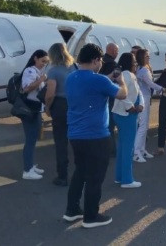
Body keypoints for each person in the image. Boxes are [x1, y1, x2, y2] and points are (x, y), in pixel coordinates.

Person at [63, 43, 127, 228]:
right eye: (99, 61)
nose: (101, 64)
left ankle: (72, 209)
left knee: (80, 172)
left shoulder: (72, 78)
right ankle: (91, 216)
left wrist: (108, 78)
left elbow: (93, 84)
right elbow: (122, 94)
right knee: (95, 177)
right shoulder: (99, 81)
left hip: (75, 134)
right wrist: (121, 81)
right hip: (96, 136)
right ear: (95, 60)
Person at [44, 43, 76, 186]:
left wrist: (47, 107)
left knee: (61, 142)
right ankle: (81, 172)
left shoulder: (53, 71)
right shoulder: (74, 68)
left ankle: (62, 176)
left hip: (60, 106)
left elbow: (50, 93)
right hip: (74, 105)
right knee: (76, 139)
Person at [112, 53, 144, 188]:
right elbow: (120, 92)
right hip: (126, 115)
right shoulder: (125, 74)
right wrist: (130, 106)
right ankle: (127, 180)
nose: (136, 64)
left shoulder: (130, 75)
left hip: (128, 114)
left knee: (123, 147)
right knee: (128, 148)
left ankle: (120, 177)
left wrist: (141, 103)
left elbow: (139, 92)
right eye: (134, 62)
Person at [20, 49, 49, 180]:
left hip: (36, 108)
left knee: (33, 138)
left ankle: (30, 165)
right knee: (30, 139)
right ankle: (27, 170)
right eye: (42, 61)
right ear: (35, 58)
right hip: (29, 109)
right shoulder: (30, 71)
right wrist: (41, 80)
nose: (44, 64)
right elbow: (26, 88)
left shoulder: (38, 72)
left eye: (46, 62)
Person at [134, 48, 165, 163]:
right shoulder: (143, 70)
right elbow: (151, 84)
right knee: (142, 126)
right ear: (142, 57)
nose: (148, 57)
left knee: (144, 126)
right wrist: (162, 89)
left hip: (144, 98)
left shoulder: (141, 69)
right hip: (144, 98)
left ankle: (142, 150)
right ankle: (136, 152)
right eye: (146, 56)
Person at [99, 43, 120, 158]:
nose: (117, 53)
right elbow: (117, 79)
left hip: (99, 96)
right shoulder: (113, 64)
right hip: (110, 97)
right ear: (112, 51)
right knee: (110, 125)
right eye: (116, 51)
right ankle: (112, 150)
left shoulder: (100, 61)